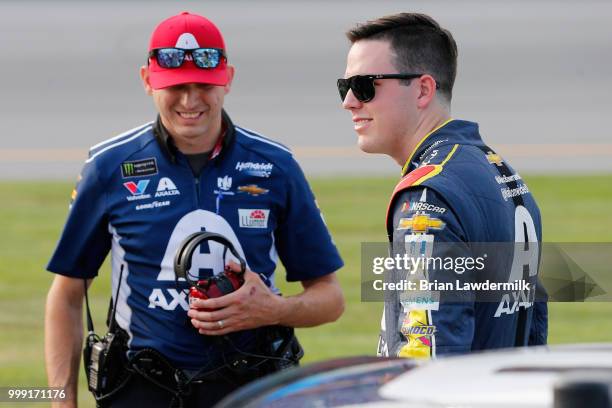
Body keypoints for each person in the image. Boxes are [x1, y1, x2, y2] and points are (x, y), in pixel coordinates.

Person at [45, 11, 344, 408]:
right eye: (175, 85)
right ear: (148, 80)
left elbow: (330, 298)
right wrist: (61, 403)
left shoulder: (275, 166)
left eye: (204, 84)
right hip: (142, 388)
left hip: (252, 388)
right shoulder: (108, 167)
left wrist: (274, 309)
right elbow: (66, 294)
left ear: (228, 80)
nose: (190, 100)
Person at [338, 13, 547, 359]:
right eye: (344, 87)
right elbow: (534, 327)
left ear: (422, 89)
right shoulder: (502, 173)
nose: (349, 102)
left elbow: (428, 355)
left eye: (364, 86)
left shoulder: (427, 197)